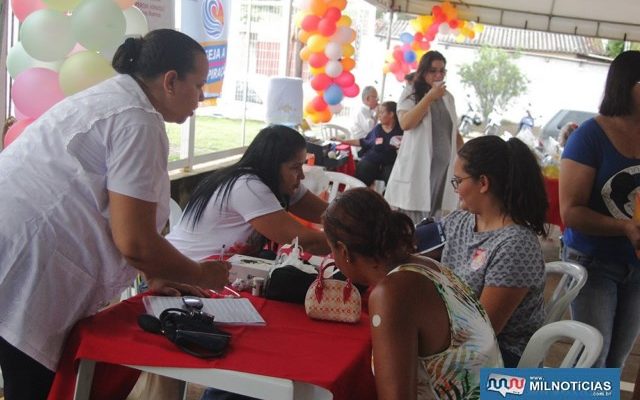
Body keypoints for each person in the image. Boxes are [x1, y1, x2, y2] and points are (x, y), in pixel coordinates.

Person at [0, 29, 232, 400]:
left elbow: (120, 215)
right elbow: (135, 240)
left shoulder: (113, 99)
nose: (201, 98)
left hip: (20, 249)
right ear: (171, 80)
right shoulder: (137, 118)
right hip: (27, 261)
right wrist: (201, 274)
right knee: (34, 389)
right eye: (199, 86)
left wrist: (160, 272)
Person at [323, 188, 502, 399]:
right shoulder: (427, 265)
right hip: (496, 390)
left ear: (343, 251)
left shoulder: (390, 294)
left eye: (331, 250)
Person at [560, 50, 640, 368]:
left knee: (616, 361)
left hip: (636, 267)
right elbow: (571, 211)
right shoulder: (589, 137)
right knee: (593, 359)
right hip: (593, 263)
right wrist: (624, 227)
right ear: (629, 86)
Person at [440, 135, 548, 367]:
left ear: (483, 183)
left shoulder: (516, 244)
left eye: (459, 180)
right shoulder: (461, 220)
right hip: (460, 338)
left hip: (502, 358)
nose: (456, 189)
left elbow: (483, 331)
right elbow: (416, 253)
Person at [167, 124, 330, 260]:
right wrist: (350, 240)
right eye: (295, 167)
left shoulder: (279, 181)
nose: (301, 175)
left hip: (216, 272)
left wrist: (352, 220)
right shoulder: (247, 185)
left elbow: (330, 215)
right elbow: (306, 242)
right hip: (183, 272)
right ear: (272, 165)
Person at [385, 51, 464, 224]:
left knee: (435, 217)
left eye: (442, 71)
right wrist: (428, 98)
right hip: (418, 167)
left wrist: (465, 157)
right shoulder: (410, 92)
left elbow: (454, 133)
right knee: (412, 217)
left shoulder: (448, 97)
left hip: (443, 170)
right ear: (423, 71)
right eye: (433, 71)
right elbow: (406, 123)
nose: (438, 75)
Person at [339, 101, 403, 187]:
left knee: (393, 176)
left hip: (390, 163)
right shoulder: (378, 129)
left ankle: (385, 198)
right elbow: (364, 142)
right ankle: (360, 195)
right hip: (372, 160)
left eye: (382, 112)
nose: (379, 115)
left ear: (391, 114)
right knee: (363, 168)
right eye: (378, 112)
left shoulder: (401, 130)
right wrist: (344, 141)